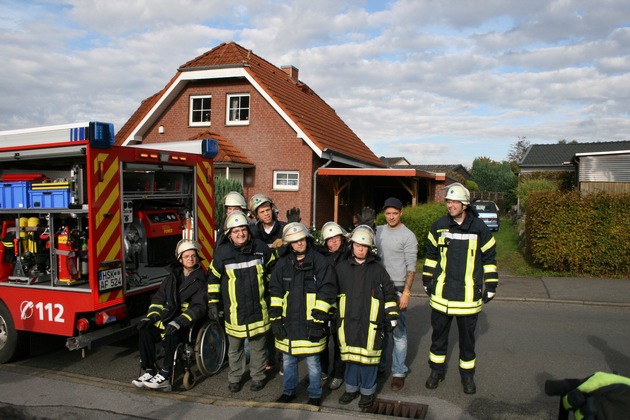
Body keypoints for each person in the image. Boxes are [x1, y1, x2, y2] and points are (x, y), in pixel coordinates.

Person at [422, 183, 498, 395]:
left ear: (464, 204)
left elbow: (490, 258)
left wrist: (491, 284)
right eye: (448, 201)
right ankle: (436, 372)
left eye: (455, 202)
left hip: (467, 297)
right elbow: (431, 256)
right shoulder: (438, 227)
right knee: (438, 339)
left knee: (467, 342)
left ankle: (467, 377)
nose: (450, 205)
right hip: (442, 296)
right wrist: (427, 280)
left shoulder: (479, 229)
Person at [269, 222, 337, 407]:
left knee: (313, 362)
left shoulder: (320, 261)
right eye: (295, 241)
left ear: (307, 239)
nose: (299, 243)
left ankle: (315, 395)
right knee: (289, 360)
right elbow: (275, 290)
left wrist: (318, 321)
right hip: (288, 322)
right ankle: (288, 392)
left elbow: (327, 291)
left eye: (302, 239)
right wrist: (275, 319)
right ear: (289, 244)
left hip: (311, 322)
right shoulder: (283, 263)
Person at [207, 210, 275, 393]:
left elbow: (273, 271)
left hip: (259, 309)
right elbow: (213, 278)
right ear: (229, 235)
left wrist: (271, 295)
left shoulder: (261, 248)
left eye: (243, 230)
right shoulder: (222, 253)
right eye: (235, 231)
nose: (240, 234)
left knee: (258, 349)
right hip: (234, 312)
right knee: (234, 350)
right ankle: (235, 377)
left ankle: (258, 377)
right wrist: (213, 302)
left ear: (249, 231)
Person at [336, 225, 399, 408]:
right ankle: (351, 389)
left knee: (369, 361)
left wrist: (392, 315)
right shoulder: (342, 268)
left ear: (370, 248)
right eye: (357, 245)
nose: (360, 249)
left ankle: (367, 392)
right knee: (350, 358)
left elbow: (389, 292)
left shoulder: (377, 269)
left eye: (364, 246)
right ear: (352, 246)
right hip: (347, 322)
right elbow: (332, 292)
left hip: (370, 324)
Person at [132, 240, 207, 390]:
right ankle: (149, 370)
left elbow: (199, 307)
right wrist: (152, 316)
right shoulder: (171, 277)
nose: (191, 259)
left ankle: (165, 374)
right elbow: (158, 299)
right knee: (145, 331)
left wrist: (180, 321)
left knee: (172, 334)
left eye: (193, 256)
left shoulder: (201, 280)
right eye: (186, 256)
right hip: (167, 318)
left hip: (187, 323)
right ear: (180, 259)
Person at [375, 197, 418, 392]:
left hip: (398, 288)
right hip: (378, 288)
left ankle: (399, 372)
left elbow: (411, 267)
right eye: (388, 213)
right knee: (380, 331)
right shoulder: (378, 231)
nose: (391, 217)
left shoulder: (408, 236)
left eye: (395, 213)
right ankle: (380, 366)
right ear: (384, 214)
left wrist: (406, 293)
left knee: (398, 333)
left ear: (401, 213)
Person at [317, 221, 349, 390]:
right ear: (325, 241)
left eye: (337, 238)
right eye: (330, 239)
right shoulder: (319, 255)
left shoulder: (348, 254)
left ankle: (338, 374)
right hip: (324, 302)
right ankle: (322, 370)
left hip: (342, 303)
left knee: (339, 342)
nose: (334, 242)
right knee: (321, 340)